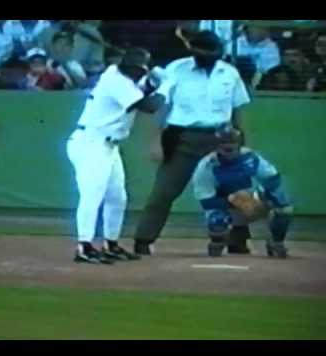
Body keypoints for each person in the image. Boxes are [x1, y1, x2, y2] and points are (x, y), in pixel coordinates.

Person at [133, 31, 251, 256]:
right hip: (182, 137)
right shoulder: (176, 69)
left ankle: (238, 240)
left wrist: (243, 142)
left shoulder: (230, 73)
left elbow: (238, 110)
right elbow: (162, 106)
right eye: (200, 51)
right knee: (163, 192)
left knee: (235, 189)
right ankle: (143, 239)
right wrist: (155, 140)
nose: (204, 55)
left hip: (221, 137)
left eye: (209, 52)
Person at [67, 47, 167, 264]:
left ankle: (110, 244)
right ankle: (84, 246)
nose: (136, 74)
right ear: (126, 67)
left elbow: (142, 90)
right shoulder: (116, 80)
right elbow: (148, 106)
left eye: (139, 71)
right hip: (91, 144)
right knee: (92, 196)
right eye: (133, 70)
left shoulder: (123, 77)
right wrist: (165, 87)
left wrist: (152, 84)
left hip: (108, 147)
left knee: (117, 197)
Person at [192, 127, 293, 258]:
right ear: (216, 148)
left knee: (283, 204)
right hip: (227, 208)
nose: (228, 152)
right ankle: (219, 241)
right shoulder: (206, 167)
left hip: (254, 202)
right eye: (224, 148)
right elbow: (207, 202)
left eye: (232, 147)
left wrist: (256, 196)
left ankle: (275, 242)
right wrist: (232, 200)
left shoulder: (252, 158)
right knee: (216, 219)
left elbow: (274, 180)